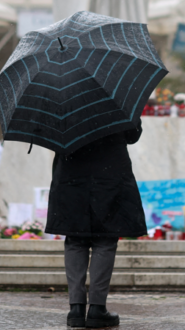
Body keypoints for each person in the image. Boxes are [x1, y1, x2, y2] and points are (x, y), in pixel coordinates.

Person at [44, 118, 146, 328]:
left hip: (72, 176)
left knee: (75, 239)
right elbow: (132, 135)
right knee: (105, 240)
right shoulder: (114, 99)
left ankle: (76, 308)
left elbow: (51, 138)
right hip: (109, 176)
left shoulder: (62, 103)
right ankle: (97, 308)